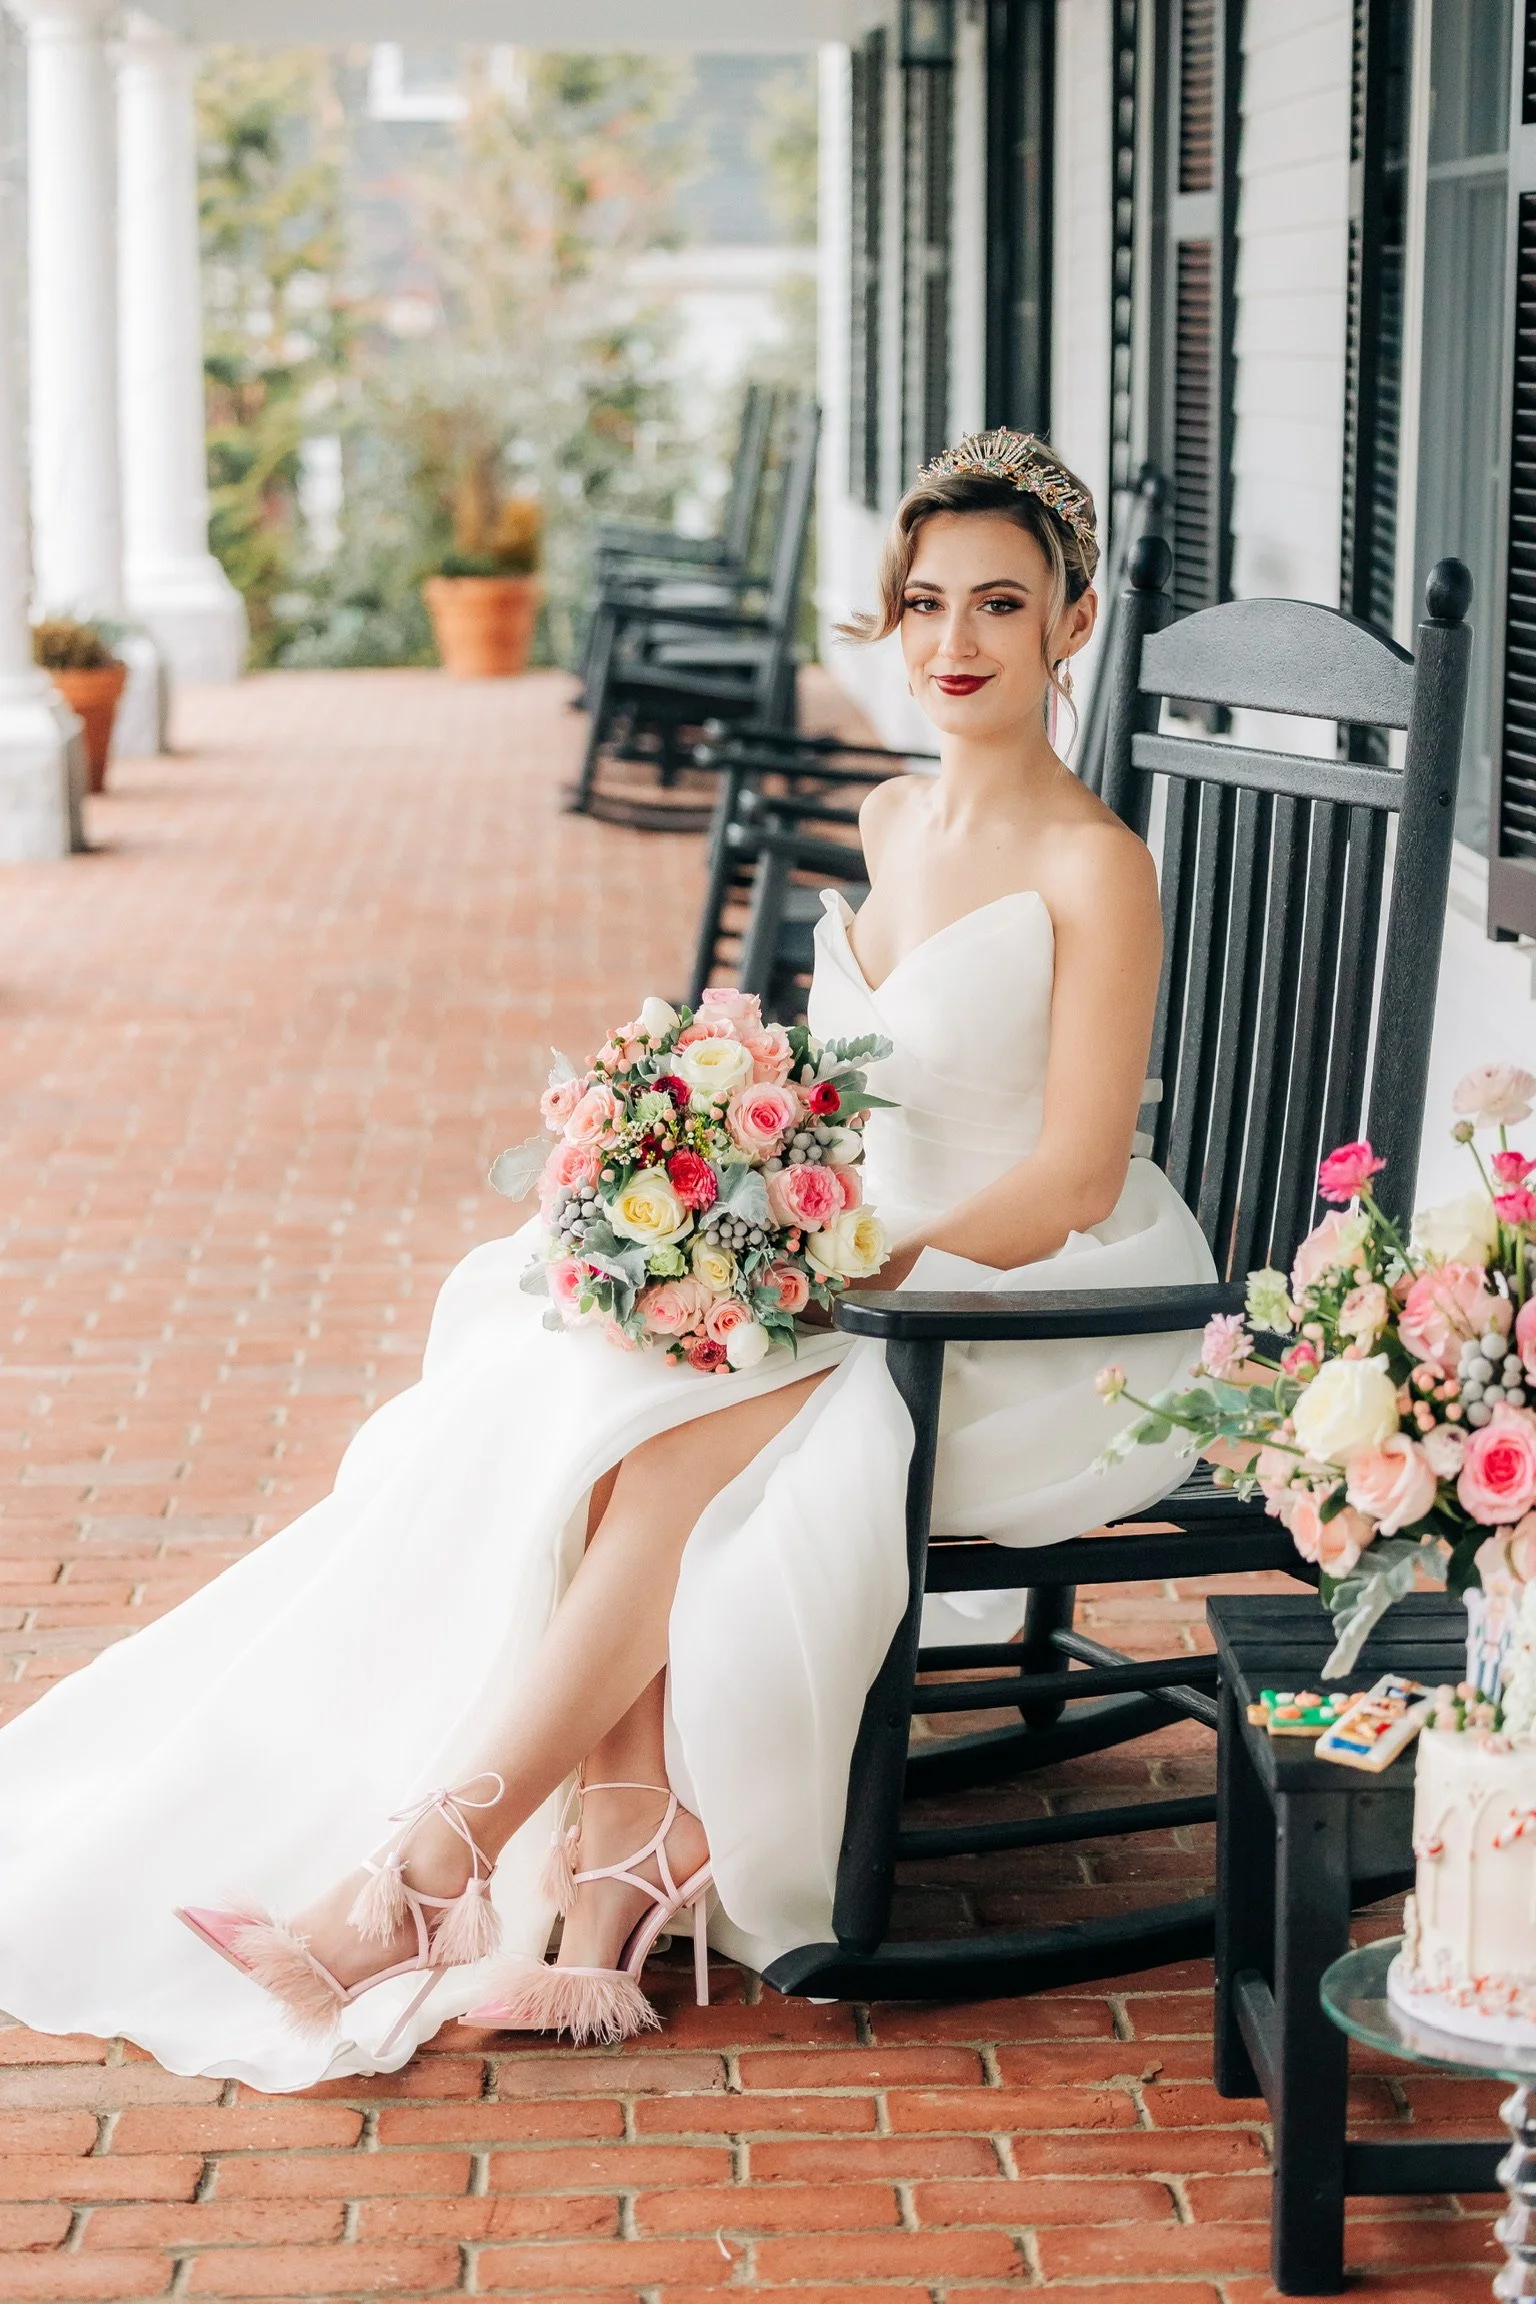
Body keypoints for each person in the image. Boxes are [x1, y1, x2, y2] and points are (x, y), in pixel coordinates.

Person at [0, 431, 1213, 2092]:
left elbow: (1072, 1176)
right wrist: (735, 1197)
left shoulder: (1098, 862)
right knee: (583, 1351)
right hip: (860, 1249)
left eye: (1002, 603)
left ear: (1071, 622)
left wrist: (851, 1255)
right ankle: (618, 1851)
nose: (956, 641)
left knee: (670, 1409)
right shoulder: (887, 811)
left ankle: (423, 1880)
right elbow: (850, 1090)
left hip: (1029, 1300)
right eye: (924, 601)